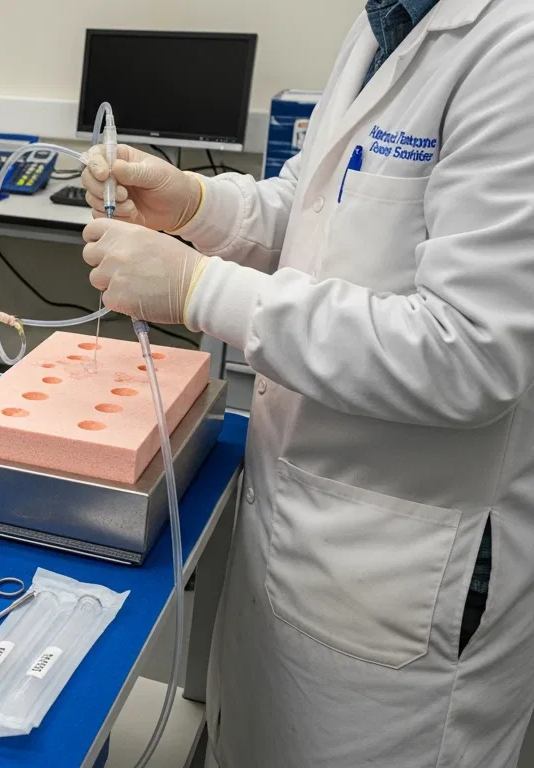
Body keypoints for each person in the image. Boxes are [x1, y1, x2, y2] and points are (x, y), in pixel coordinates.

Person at [79, 1, 534, 765]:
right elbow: (317, 201)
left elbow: (471, 353)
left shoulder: (514, 46)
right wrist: (197, 202)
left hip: (401, 570)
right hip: (300, 522)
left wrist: (198, 289)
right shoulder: (385, 23)